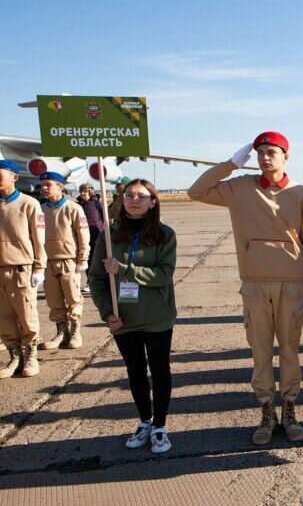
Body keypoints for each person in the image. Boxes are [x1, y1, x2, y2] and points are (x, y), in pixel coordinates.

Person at [189, 132, 303, 445]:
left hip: (291, 284)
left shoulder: (299, 192)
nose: (265, 157)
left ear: (286, 156)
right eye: (260, 152)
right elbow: (196, 191)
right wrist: (230, 165)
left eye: (272, 151)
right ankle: (266, 410)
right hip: (255, 284)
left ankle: (289, 408)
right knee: (260, 352)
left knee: (289, 350)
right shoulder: (240, 188)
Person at [89, 179, 177, 454]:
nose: (134, 200)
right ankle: (145, 421)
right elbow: (96, 279)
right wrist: (107, 312)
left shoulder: (164, 234)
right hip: (123, 319)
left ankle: (160, 425)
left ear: (153, 201)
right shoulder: (109, 235)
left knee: (159, 371)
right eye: (129, 195)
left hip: (156, 317)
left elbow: (164, 274)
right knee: (135, 371)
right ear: (122, 199)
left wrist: (125, 270)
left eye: (141, 196)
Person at [0, 159, 46, 379]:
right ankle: (14, 356)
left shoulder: (29, 204)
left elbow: (38, 239)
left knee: (27, 316)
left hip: (21, 268)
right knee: (4, 318)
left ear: (14, 177)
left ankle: (30, 356)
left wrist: (39, 267)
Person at [38, 172, 90, 351]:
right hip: (48, 261)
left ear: (59, 186)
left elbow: (83, 234)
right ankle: (62, 333)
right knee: (54, 300)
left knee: (73, 298)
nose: (44, 188)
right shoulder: (41, 209)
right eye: (42, 185)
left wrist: (83, 257)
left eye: (48, 185)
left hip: (68, 260)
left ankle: (75, 332)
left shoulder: (73, 208)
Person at [77, 183, 104, 293]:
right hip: (83, 237)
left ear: (90, 192)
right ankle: (89, 281)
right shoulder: (78, 205)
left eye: (85, 191)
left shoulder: (97, 204)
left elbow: (105, 219)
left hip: (96, 237)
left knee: (95, 260)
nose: (83, 194)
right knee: (86, 260)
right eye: (81, 191)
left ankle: (95, 282)